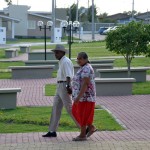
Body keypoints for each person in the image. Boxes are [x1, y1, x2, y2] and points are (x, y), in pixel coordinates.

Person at [42, 44, 79, 138]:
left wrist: (68, 86)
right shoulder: (62, 61)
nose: (55, 54)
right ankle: (52, 131)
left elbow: (68, 75)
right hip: (59, 85)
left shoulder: (65, 61)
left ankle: (84, 127)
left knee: (69, 108)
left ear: (63, 52)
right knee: (55, 107)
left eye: (57, 52)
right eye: (55, 52)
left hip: (64, 85)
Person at [72, 52, 97, 141]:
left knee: (82, 115)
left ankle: (83, 135)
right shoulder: (83, 67)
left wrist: (79, 96)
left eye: (80, 59)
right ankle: (91, 127)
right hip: (82, 97)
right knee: (77, 112)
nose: (78, 61)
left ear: (85, 59)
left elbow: (86, 83)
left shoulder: (86, 68)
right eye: (77, 59)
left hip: (85, 97)